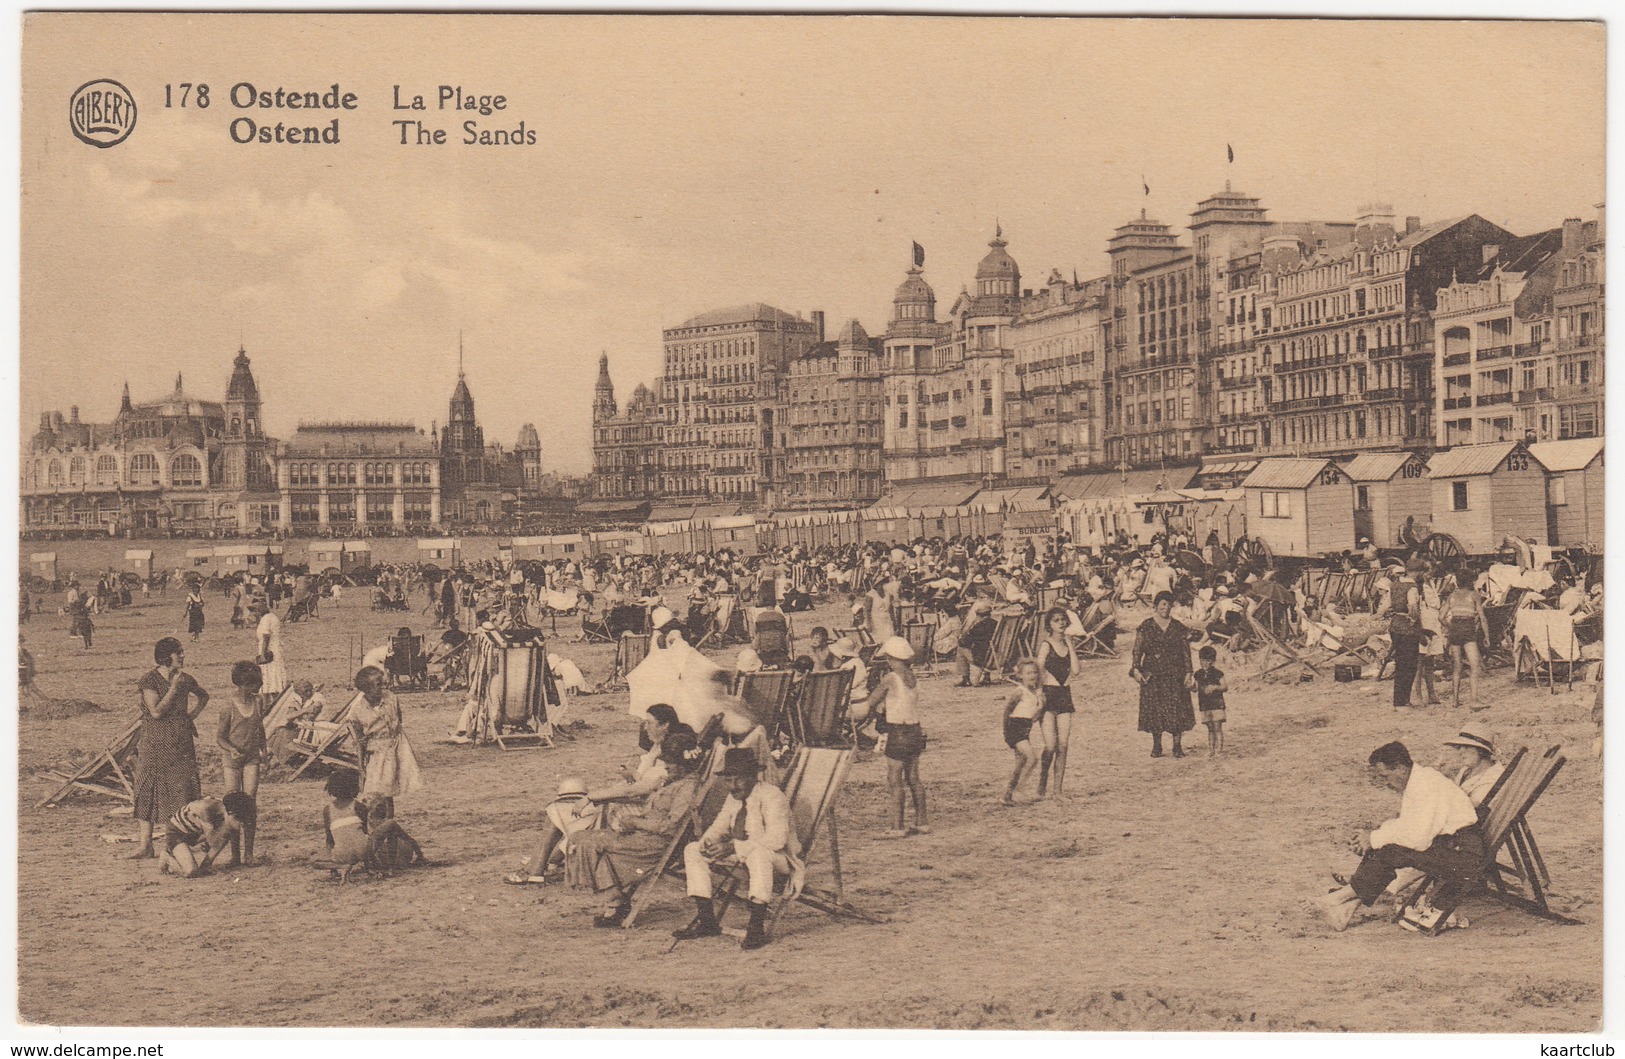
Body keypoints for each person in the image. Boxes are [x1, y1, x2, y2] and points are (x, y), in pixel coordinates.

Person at [1318, 742, 1485, 933]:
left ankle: (1339, 898)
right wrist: (1371, 838)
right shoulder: (1418, 780)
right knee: (1385, 846)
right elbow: (1406, 825)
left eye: (1385, 775)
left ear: (1399, 768)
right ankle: (1346, 908)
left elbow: (1418, 839)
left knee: (1389, 850)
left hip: (1463, 855)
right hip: (1452, 847)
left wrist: (1373, 839)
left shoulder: (1425, 785)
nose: (1385, 782)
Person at [567, 729, 703, 927]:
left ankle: (615, 903)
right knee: (580, 838)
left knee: (590, 843)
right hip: (644, 836)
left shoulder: (687, 789)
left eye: (670, 763)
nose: (666, 766)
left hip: (656, 843)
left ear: (683, 764)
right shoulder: (672, 781)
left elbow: (671, 827)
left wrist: (636, 822)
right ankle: (615, 901)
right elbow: (636, 792)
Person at [673, 748, 796, 951]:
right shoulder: (734, 798)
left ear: (753, 776)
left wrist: (731, 847)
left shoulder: (772, 796)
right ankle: (707, 921)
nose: (733, 786)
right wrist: (709, 842)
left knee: (758, 855)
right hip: (741, 855)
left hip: (778, 859)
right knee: (693, 850)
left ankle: (756, 928)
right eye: (728, 780)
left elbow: (776, 840)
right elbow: (719, 826)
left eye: (738, 780)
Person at [127, 638, 209, 859]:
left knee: (181, 790)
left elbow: (204, 696)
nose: (182, 656)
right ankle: (146, 845)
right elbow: (156, 712)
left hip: (180, 741)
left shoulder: (186, 679)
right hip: (155, 742)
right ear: (165, 656)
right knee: (148, 788)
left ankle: (175, 843)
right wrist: (174, 688)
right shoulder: (149, 681)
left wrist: (190, 716)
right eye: (178, 653)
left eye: (181, 652)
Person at [851, 636, 928, 837]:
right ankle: (922, 822)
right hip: (915, 730)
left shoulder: (891, 678)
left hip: (898, 731)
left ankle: (897, 826)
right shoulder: (912, 677)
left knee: (895, 780)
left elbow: (870, 702)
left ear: (893, 658)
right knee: (914, 778)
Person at [348, 665, 424, 818]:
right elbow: (359, 740)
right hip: (377, 754)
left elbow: (398, 719)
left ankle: (389, 828)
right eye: (378, 684)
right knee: (373, 793)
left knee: (388, 794)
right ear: (366, 688)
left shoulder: (391, 698)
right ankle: (371, 827)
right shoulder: (357, 711)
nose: (384, 686)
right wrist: (361, 766)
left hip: (396, 748)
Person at [1131, 593, 1196, 759]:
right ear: (1156, 606)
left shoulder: (1178, 627)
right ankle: (1157, 745)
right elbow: (1137, 651)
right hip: (1153, 674)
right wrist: (1136, 670)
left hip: (1175, 673)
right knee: (1155, 710)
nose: (1165, 608)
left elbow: (1185, 652)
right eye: (1162, 605)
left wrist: (1189, 672)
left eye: (1168, 605)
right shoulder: (1146, 626)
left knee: (1177, 708)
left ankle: (1177, 746)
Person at [216, 661, 267, 865]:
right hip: (232, 760)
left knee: (250, 803)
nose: (259, 688)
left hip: (252, 757)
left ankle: (249, 853)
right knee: (234, 806)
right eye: (255, 685)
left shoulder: (258, 702)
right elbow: (220, 738)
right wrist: (232, 749)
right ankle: (235, 854)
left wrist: (264, 748)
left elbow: (259, 727)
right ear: (244, 685)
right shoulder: (228, 707)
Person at [1034, 607, 1078, 798]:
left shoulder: (1068, 644)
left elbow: (1076, 671)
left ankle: (1057, 790)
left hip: (1064, 695)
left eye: (1062, 620)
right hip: (1048, 695)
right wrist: (1038, 694)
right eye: (1056, 620)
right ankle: (1043, 779)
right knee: (1050, 746)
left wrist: (1070, 645)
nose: (1060, 623)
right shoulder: (1046, 645)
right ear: (1049, 625)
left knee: (1063, 745)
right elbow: (1037, 671)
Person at [158, 792, 255, 878]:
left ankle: (205, 864)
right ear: (231, 813)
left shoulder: (227, 812)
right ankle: (167, 856)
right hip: (177, 833)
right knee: (190, 871)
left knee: (227, 832)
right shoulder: (205, 808)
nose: (241, 825)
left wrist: (206, 865)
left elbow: (218, 842)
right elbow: (212, 841)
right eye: (240, 821)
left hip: (195, 833)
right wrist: (211, 839)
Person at [312, 770, 369, 883]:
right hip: (363, 851)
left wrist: (332, 868)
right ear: (354, 787)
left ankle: (339, 867)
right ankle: (368, 866)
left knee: (313, 860)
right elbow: (364, 831)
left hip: (342, 854)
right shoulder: (359, 806)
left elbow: (330, 839)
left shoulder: (327, 810)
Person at [1002, 660, 1045, 805]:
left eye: (1034, 672)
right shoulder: (1020, 691)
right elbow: (1007, 711)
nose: (1032, 675)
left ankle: (1007, 796)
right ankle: (1019, 790)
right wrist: (1006, 733)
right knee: (1032, 758)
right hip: (1014, 728)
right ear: (1020, 676)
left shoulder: (1036, 692)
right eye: (1028, 673)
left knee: (1020, 765)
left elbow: (1036, 713)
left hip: (1025, 728)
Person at [1441, 574, 1487, 709]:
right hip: (1468, 628)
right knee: (1475, 665)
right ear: (1470, 582)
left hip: (1455, 628)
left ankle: (1455, 701)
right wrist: (1487, 636)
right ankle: (1473, 700)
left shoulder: (1452, 597)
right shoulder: (1474, 595)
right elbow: (1482, 618)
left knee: (1457, 666)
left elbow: (1441, 617)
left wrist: (1451, 628)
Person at [1441, 728, 1504, 807]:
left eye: (1467, 747)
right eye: (1459, 747)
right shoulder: (1467, 769)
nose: (1461, 752)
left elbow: (1469, 811)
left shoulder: (1492, 779)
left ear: (1481, 751)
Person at [253, 599, 288, 708]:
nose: (255, 614)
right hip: (274, 648)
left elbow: (266, 637)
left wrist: (263, 654)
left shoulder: (266, 619)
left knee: (269, 674)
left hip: (269, 650)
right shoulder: (271, 617)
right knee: (272, 675)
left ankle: (271, 702)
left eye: (256, 611)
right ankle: (273, 701)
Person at [1194, 645, 1227, 758]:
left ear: (1212, 661)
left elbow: (1224, 687)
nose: (1205, 663)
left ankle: (1219, 750)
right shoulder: (1198, 674)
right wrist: (1190, 687)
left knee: (1217, 727)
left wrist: (1215, 687)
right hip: (1205, 704)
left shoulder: (1218, 673)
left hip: (1217, 704)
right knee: (1210, 728)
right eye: (1202, 660)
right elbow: (1196, 688)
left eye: (1207, 661)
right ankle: (1211, 749)